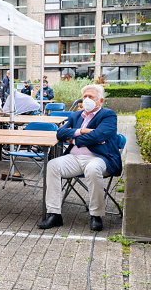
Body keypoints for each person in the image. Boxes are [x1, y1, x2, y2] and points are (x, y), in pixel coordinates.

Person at [37, 85, 122, 232]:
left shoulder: (108, 115)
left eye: (91, 97)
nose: (87, 99)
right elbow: (60, 133)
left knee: (93, 168)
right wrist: (81, 131)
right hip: (74, 158)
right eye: (85, 97)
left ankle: (96, 216)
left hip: (99, 158)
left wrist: (74, 139)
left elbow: (99, 135)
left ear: (100, 100)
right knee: (52, 165)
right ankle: (54, 214)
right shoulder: (76, 116)